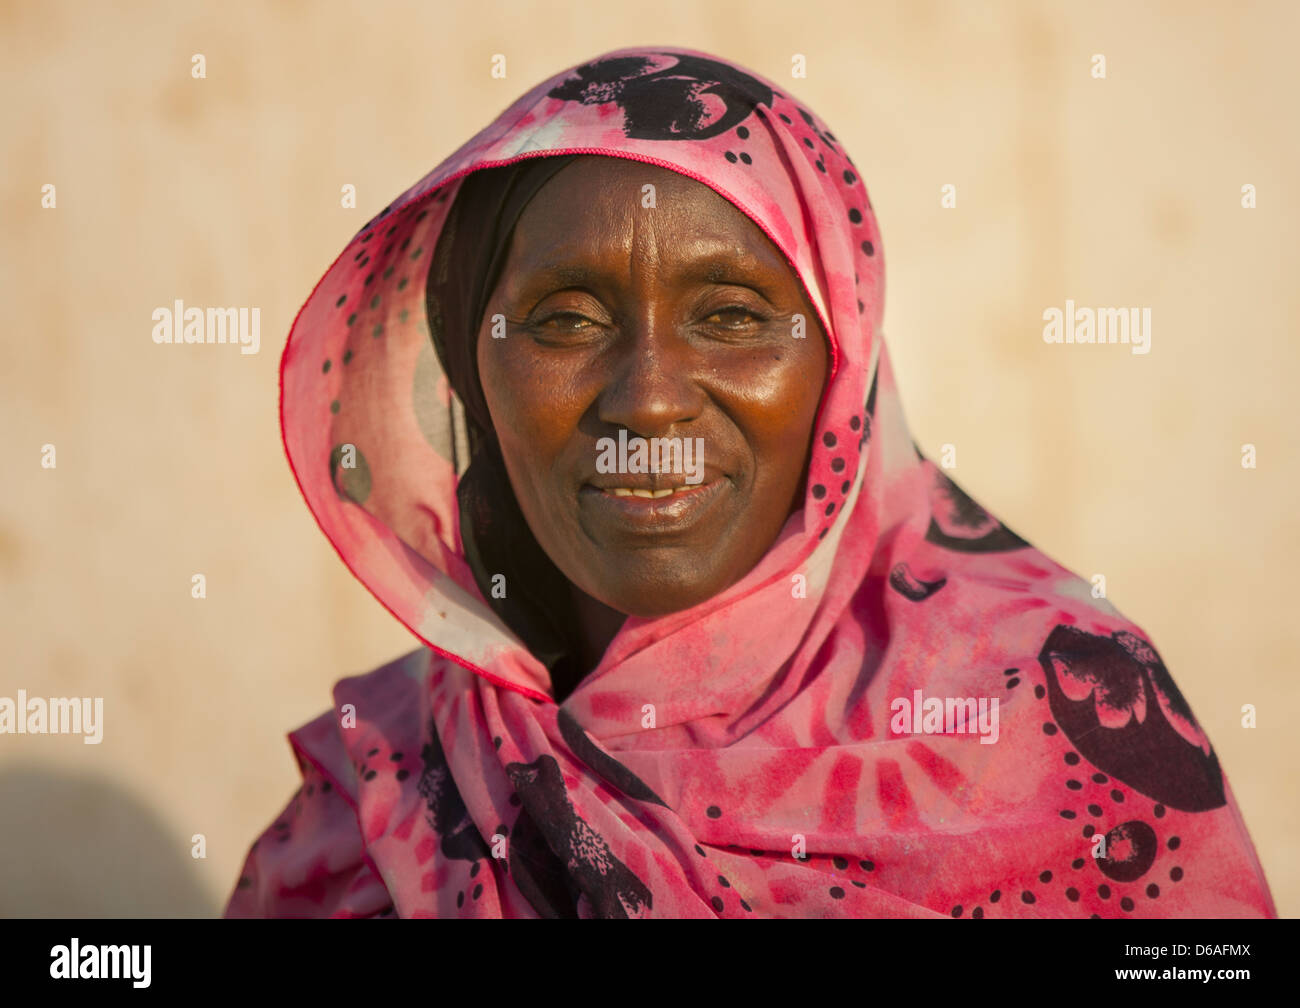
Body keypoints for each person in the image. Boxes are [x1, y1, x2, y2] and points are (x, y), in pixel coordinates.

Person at [225, 46, 1275, 918]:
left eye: (730, 316)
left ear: (842, 370)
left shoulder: (1064, 728)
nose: (645, 402)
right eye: (564, 321)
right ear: (470, 366)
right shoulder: (383, 798)